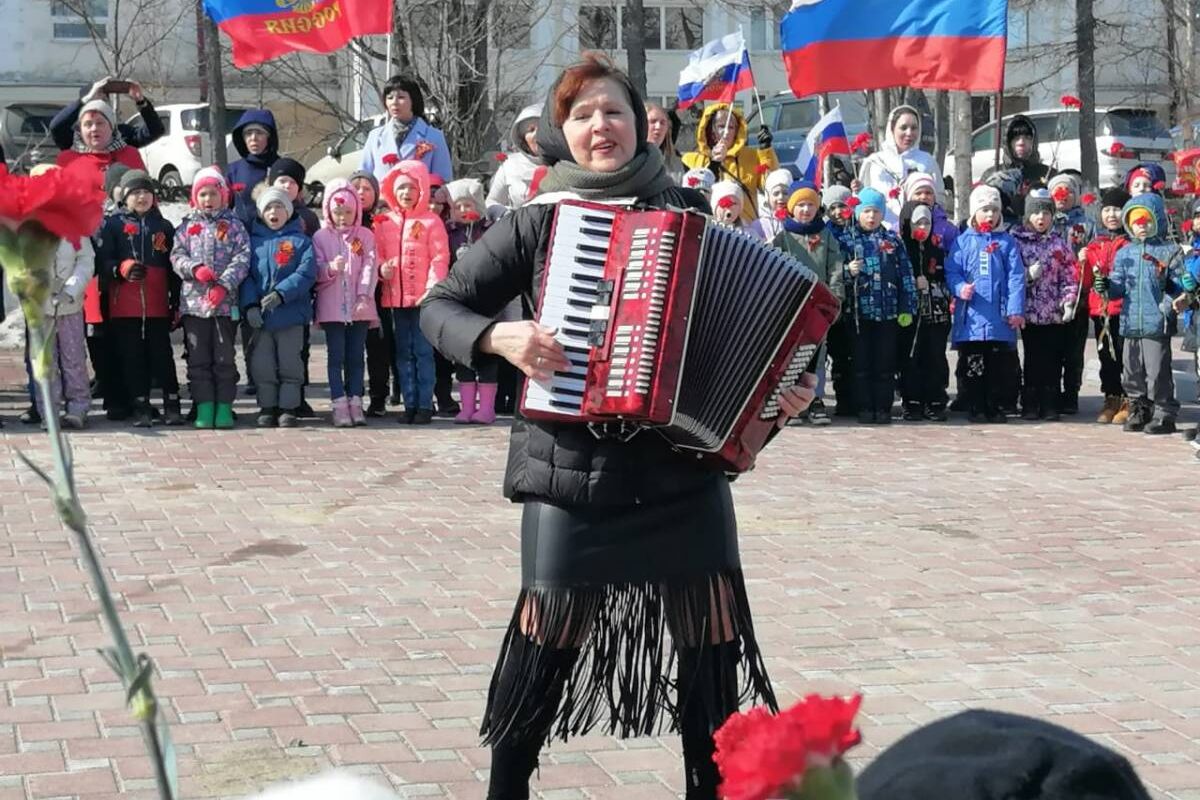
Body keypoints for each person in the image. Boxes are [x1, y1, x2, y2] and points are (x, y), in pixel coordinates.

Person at [418, 53, 814, 800]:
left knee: (712, 651)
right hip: (570, 475)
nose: (601, 126)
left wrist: (783, 396)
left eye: (615, 111)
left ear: (642, 123)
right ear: (559, 133)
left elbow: (757, 346)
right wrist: (501, 339)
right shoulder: (538, 222)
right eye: (582, 114)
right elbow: (439, 307)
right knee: (543, 646)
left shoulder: (692, 213)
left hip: (682, 475)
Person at [96, 169, 182, 427]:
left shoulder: (163, 227)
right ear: (124, 197)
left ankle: (172, 401)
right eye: (135, 192)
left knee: (161, 354)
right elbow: (103, 261)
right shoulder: (113, 225)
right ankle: (140, 404)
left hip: (156, 305)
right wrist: (120, 269)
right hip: (124, 305)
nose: (141, 197)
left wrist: (175, 302)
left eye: (146, 191)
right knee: (132, 356)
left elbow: (173, 267)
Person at [1096, 193, 1187, 434]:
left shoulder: (1170, 251)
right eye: (1136, 222)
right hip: (1130, 320)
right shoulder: (1125, 253)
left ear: (1157, 220)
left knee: (1157, 371)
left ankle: (1164, 412)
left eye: (1147, 221)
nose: (1142, 227)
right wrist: (1105, 285)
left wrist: (1168, 304)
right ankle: (1139, 407)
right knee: (1132, 369)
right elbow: (1117, 287)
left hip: (1156, 321)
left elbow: (1178, 285)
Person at [171, 167, 251, 430]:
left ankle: (224, 407)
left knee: (224, 358)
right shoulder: (186, 226)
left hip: (225, 307)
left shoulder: (235, 226)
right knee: (198, 358)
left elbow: (242, 258)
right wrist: (194, 268)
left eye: (213, 193)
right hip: (194, 306)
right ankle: (204, 407)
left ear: (223, 195)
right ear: (195, 197)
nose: (208, 199)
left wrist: (225, 285)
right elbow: (176, 256)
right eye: (202, 194)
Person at [376, 159, 450, 425]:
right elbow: (377, 254)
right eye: (401, 189)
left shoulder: (431, 222)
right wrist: (381, 268)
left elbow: (439, 258)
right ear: (392, 192)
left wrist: (431, 288)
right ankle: (409, 403)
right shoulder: (385, 222)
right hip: (396, 299)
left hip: (422, 300)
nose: (406, 194)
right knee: (402, 353)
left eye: (411, 188)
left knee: (422, 352)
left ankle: (424, 404)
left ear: (421, 191)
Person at [946, 185, 1026, 423]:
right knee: (974, 364)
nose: (989, 216)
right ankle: (975, 404)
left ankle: (995, 404)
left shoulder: (1007, 243)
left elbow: (1015, 277)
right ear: (974, 213)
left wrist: (1014, 309)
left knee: (998, 365)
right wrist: (960, 288)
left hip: (998, 317)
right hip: (972, 318)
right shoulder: (963, 242)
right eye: (984, 210)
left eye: (994, 210)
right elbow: (952, 271)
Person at [241, 187, 318, 428]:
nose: (274, 212)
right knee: (262, 363)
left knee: (290, 363)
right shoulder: (252, 243)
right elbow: (246, 276)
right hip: (261, 319)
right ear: (261, 213)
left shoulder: (302, 242)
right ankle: (267, 407)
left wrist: (281, 294)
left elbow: (306, 274)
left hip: (291, 315)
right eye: (269, 208)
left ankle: (288, 407)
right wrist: (251, 304)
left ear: (289, 211)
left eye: (279, 207)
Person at [840, 187, 917, 424]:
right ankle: (864, 406)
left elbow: (905, 274)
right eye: (866, 212)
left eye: (875, 212)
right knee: (861, 362)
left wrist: (907, 307)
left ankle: (883, 407)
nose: (871, 217)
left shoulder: (892, 240)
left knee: (885, 363)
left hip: (887, 311)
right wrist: (847, 271)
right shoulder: (847, 239)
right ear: (857, 212)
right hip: (859, 313)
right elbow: (833, 271)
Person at [771, 180, 845, 424]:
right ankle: (790, 401)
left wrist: (835, 296)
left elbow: (835, 266)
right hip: (791, 304)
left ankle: (814, 399)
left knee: (816, 353)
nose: (805, 210)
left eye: (810, 205)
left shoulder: (825, 235)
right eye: (800, 205)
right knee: (789, 353)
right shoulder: (783, 237)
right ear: (792, 207)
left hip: (819, 304)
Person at [29, 165, 94, 429]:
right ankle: (49, 411)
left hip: (69, 304)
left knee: (73, 358)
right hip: (39, 306)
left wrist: (71, 288)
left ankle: (78, 407)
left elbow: (86, 259)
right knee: (45, 361)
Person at [1011, 190, 1079, 421]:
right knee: (1032, 358)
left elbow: (1069, 276)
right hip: (1029, 313)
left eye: (1046, 212)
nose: (1041, 217)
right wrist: (1026, 275)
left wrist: (1068, 302)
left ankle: (1050, 402)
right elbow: (1010, 274)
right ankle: (1030, 401)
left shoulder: (1059, 244)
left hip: (1053, 313)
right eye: (1036, 212)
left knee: (1052, 359)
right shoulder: (1018, 242)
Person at [314, 179, 377, 428]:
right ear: (329, 211)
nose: (343, 218)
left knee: (356, 357)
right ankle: (338, 402)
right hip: (332, 309)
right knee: (335, 356)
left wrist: (363, 295)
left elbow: (370, 267)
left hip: (359, 308)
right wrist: (329, 269)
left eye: (348, 212)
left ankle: (355, 400)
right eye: (337, 212)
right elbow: (316, 270)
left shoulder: (364, 236)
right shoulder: (320, 237)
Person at [445, 178, 502, 424]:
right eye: (458, 207)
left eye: (468, 205)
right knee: (463, 355)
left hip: (486, 302)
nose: (463, 211)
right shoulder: (450, 233)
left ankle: (486, 408)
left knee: (487, 354)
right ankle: (467, 406)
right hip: (460, 303)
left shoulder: (489, 232)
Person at [898, 202, 952, 421]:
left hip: (936, 314)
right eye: (918, 222)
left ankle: (935, 399)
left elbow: (947, 276)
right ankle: (912, 401)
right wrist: (913, 283)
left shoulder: (937, 250)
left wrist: (933, 285)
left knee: (935, 356)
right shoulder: (902, 249)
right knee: (912, 356)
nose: (923, 227)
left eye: (927, 222)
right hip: (910, 314)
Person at [1082, 187, 1132, 424]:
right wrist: (1081, 263)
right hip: (1100, 311)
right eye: (1107, 210)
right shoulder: (1095, 244)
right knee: (1106, 357)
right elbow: (1084, 281)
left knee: (1124, 356)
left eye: (1117, 209)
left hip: (1124, 309)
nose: (1111, 215)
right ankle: (1111, 397)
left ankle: (1128, 399)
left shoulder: (1130, 243)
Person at [681, 102, 777, 223]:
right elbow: (694, 198)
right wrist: (714, 162)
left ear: (737, 131)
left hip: (747, 228)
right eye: (721, 126)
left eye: (731, 127)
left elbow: (771, 185)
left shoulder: (752, 156)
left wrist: (766, 150)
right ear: (711, 129)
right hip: (708, 227)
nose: (726, 132)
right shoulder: (691, 160)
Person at [1048, 172, 1094, 414]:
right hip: (1050, 296)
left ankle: (1071, 393)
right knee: (1052, 348)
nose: (1062, 196)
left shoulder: (1086, 225)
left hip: (1079, 297)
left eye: (1067, 191)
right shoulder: (1045, 220)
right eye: (1057, 191)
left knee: (1074, 350)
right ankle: (1052, 391)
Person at [51, 77, 164, 170]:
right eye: (89, 124)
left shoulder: (121, 136)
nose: (94, 129)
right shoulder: (74, 141)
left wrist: (141, 101)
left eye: (104, 101)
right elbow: (56, 127)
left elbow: (155, 130)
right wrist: (84, 100)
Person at [857, 106, 943, 229]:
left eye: (914, 128)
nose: (909, 133)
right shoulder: (875, 161)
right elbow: (864, 199)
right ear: (892, 129)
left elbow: (939, 198)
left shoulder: (926, 161)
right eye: (903, 128)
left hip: (919, 231)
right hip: (882, 230)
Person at [360, 75, 453, 183]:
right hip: (382, 199)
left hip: (421, 198)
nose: (394, 102)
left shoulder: (434, 136)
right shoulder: (375, 136)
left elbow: (443, 180)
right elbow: (364, 177)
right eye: (390, 98)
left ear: (413, 100)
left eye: (401, 97)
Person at [981, 115, 1054, 219]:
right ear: (1008, 142)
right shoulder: (992, 174)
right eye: (1016, 138)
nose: (1021, 143)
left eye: (1027, 138)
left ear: (1034, 141)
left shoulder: (1048, 174)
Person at [227, 109, 280, 228]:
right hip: (243, 238)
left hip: (274, 236)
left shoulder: (280, 167)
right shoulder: (233, 170)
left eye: (259, 133)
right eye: (248, 133)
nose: (253, 138)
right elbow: (222, 209)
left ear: (269, 137)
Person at [488, 104, 544, 213]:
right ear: (523, 138)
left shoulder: (568, 164)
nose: (537, 134)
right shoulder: (510, 165)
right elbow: (492, 201)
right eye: (531, 130)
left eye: (542, 128)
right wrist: (506, 214)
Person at [749, 168, 794, 241]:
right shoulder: (760, 225)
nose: (781, 197)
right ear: (768, 197)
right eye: (776, 194)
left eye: (785, 193)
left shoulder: (797, 220)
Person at [646, 101, 685, 183]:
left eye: (662, 123)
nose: (658, 127)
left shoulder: (675, 164)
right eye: (653, 121)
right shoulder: (629, 159)